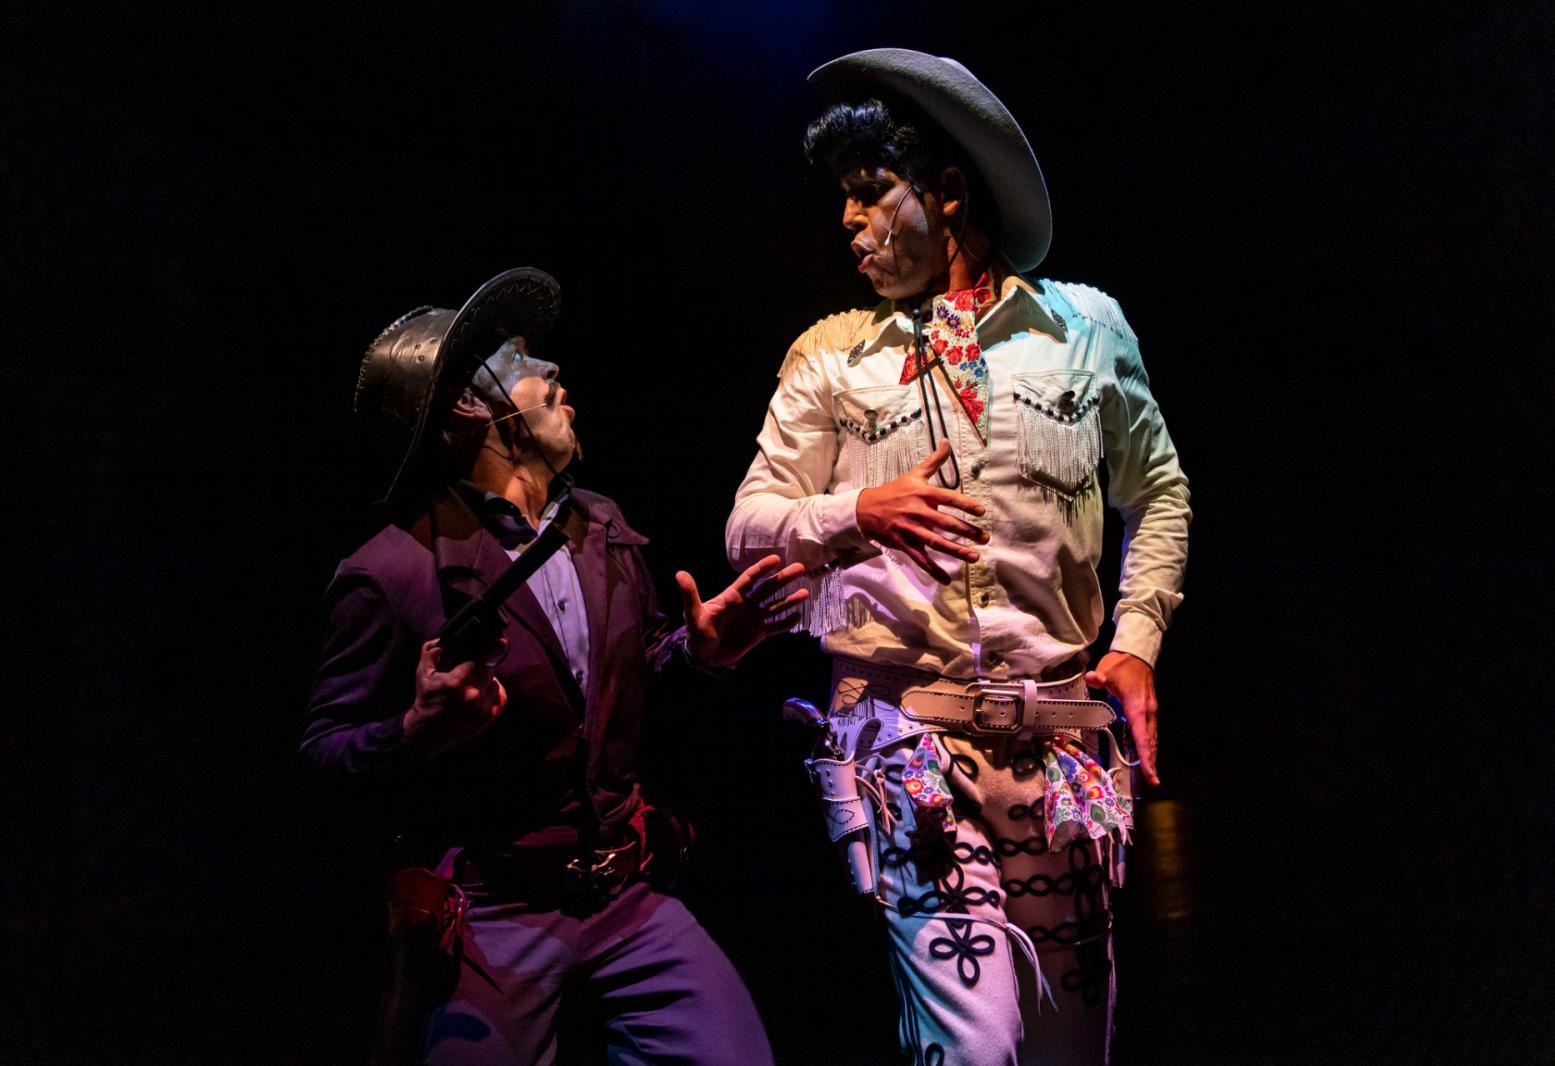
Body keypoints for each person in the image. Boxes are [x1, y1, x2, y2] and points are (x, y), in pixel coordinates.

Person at [726, 50, 1191, 1066]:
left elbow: (1157, 490)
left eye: (869, 191)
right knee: (974, 1048)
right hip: (911, 749)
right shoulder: (831, 355)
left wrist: (1137, 642)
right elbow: (749, 522)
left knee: (1071, 1046)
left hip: (1059, 750)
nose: (848, 221)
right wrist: (860, 508)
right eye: (843, 197)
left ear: (945, 192)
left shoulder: (1084, 328)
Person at [305, 267, 801, 1065]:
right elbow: (325, 758)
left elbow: (630, 683)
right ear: (470, 408)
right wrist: (415, 732)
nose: (552, 369)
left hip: (625, 895)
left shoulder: (598, 525)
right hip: (494, 906)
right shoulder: (392, 571)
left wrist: (698, 655)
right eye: (520, 359)